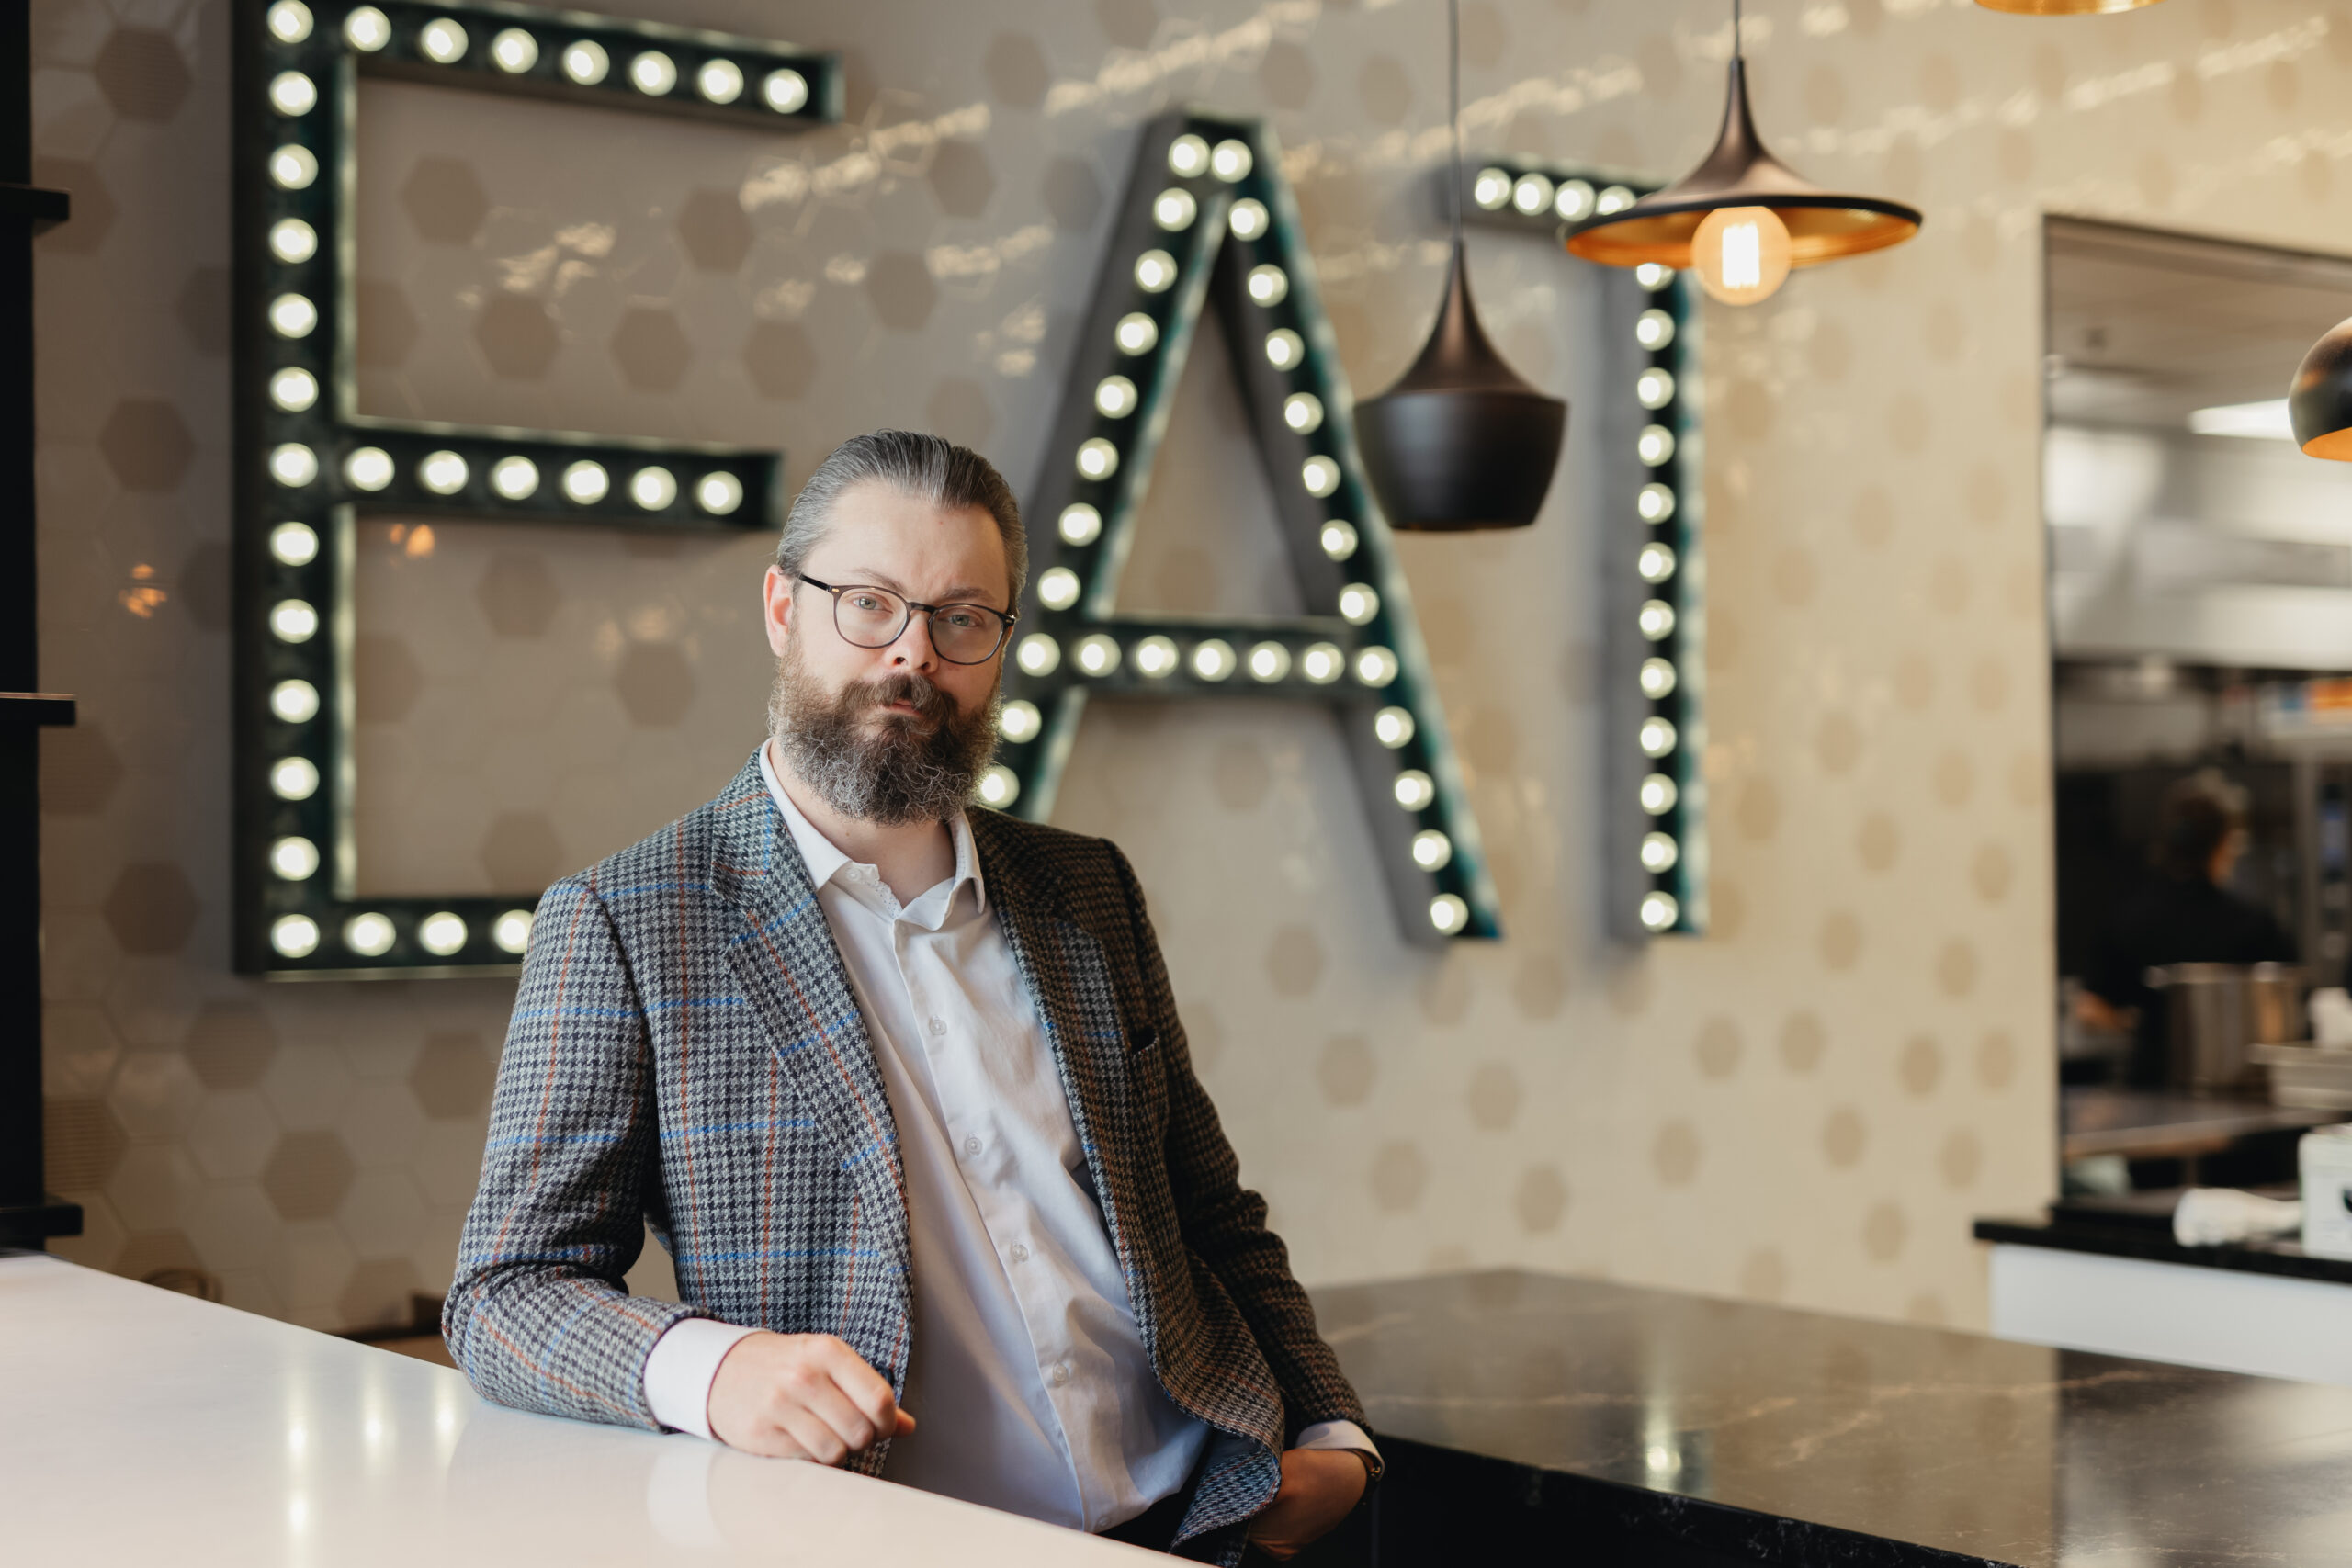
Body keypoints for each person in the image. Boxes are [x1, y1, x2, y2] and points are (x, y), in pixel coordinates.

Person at [444, 431, 1374, 1563]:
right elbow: (503, 1295)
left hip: (1198, 1522)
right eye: (871, 604)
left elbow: (1206, 1209)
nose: (914, 656)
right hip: (886, 1543)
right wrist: (714, 1369)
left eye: (962, 617)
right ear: (783, 608)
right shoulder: (628, 923)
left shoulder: (1088, 888)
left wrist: (1330, 1431)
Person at [2079, 770, 2297, 1087]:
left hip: (2152, 1087)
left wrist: (2134, 1023)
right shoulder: (2253, 923)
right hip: (2235, 1083)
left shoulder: (2130, 920)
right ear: (2224, 846)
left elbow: (2090, 1009)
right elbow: (2287, 1003)